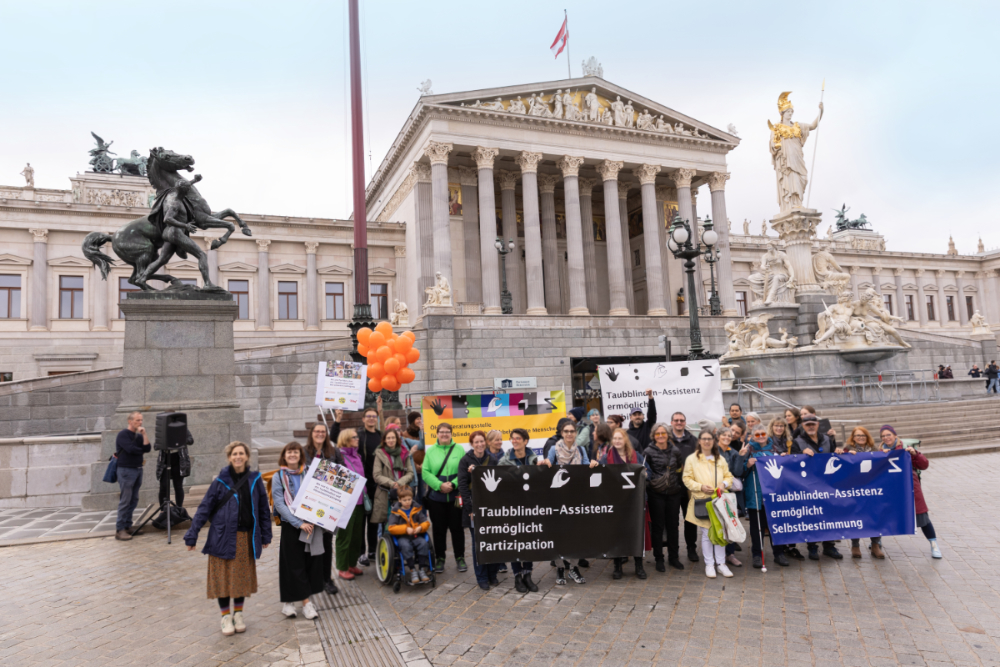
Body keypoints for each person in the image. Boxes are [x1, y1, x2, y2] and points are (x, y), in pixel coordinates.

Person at [185, 441, 272, 636]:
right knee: (222, 578)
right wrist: (192, 535)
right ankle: (225, 617)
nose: (238, 457)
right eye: (234, 454)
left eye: (241, 453)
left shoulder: (255, 479)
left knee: (240, 578)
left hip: (244, 537)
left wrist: (266, 534)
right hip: (221, 536)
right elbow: (204, 509)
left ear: (247, 456)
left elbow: (263, 510)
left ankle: (238, 614)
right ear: (229, 457)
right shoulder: (220, 481)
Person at [271, 442, 323, 620]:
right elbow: (279, 503)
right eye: (289, 452)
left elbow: (321, 495)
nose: (292, 454)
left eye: (295, 452)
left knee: (310, 563)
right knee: (291, 564)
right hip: (292, 525)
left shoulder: (311, 472)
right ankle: (305, 603)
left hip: (311, 523)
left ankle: (290, 602)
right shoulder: (279, 476)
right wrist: (297, 523)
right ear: (284, 456)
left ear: (300, 455)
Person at [590, 428, 646, 580]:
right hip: (615, 502)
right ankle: (617, 566)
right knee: (617, 534)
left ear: (625, 440)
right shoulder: (606, 458)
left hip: (634, 501)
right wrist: (594, 465)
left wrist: (645, 473)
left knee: (636, 533)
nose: (617, 441)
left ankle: (639, 566)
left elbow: (649, 472)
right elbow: (598, 472)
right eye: (615, 439)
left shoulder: (635, 456)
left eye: (620, 438)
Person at [880, 426, 942, 558]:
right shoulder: (879, 451)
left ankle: (934, 544)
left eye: (888, 434)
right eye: (883, 436)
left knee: (921, 516)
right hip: (889, 488)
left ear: (895, 435)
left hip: (909, 486)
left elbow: (924, 465)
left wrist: (915, 453)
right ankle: (876, 542)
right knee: (883, 515)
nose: (886, 438)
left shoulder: (906, 448)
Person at [682, 430, 735, 578]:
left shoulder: (720, 459)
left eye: (709, 439)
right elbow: (686, 479)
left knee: (720, 532)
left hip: (719, 501)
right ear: (699, 441)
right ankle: (709, 564)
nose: (706, 441)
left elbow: (728, 476)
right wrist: (700, 487)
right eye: (704, 439)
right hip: (702, 500)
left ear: (714, 441)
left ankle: (721, 564)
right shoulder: (692, 459)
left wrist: (724, 484)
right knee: (706, 533)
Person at [499, 428, 545, 592]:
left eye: (518, 438)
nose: (514, 441)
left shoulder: (533, 460)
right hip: (512, 508)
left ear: (526, 441)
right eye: (512, 438)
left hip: (530, 508)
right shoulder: (504, 461)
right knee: (515, 542)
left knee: (529, 542)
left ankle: (528, 575)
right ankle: (517, 576)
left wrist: (545, 466)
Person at [546, 421, 589, 584]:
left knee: (574, 534)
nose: (570, 434)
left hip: (575, 497)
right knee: (559, 533)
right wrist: (547, 463)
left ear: (576, 433)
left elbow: (585, 467)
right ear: (562, 433)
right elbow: (547, 466)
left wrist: (591, 464)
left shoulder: (581, 449)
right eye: (566, 431)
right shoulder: (553, 449)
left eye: (572, 431)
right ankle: (559, 568)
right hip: (558, 498)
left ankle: (573, 568)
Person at [795, 415, 843, 560]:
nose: (810, 426)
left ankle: (829, 546)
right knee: (812, 516)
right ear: (803, 426)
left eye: (813, 424)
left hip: (827, 484)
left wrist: (840, 452)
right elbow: (792, 462)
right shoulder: (798, 442)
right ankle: (812, 547)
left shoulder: (827, 439)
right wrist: (800, 454)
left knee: (829, 515)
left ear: (817, 425)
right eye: (807, 424)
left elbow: (834, 455)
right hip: (809, 485)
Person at [457, 430, 500, 590]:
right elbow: (462, 486)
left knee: (493, 543)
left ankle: (492, 574)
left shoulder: (493, 459)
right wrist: (470, 509)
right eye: (476, 442)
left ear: (486, 443)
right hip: (474, 509)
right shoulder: (465, 461)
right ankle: (481, 577)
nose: (480, 444)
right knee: (478, 544)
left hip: (491, 509)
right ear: (471, 444)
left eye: (482, 441)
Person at [422, 423, 466, 574]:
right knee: (439, 530)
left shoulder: (459, 449)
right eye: (442, 432)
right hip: (436, 497)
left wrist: (453, 485)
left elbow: (463, 471)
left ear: (451, 433)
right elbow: (425, 472)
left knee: (457, 529)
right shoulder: (431, 451)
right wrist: (440, 485)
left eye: (447, 432)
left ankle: (460, 557)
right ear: (437, 434)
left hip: (455, 496)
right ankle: (440, 558)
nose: (445, 434)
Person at [305, 421, 343, 594]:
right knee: (310, 542)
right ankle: (312, 578)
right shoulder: (304, 452)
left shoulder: (334, 452)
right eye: (317, 431)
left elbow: (343, 473)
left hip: (328, 504)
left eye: (323, 431)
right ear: (312, 434)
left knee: (327, 542)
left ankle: (327, 579)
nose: (320, 434)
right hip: (310, 503)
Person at [743, 425, 789, 568]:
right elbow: (739, 471)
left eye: (763, 433)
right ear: (752, 436)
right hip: (755, 493)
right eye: (757, 434)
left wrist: (784, 459)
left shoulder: (775, 448)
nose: (761, 436)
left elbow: (784, 470)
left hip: (774, 494)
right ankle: (757, 554)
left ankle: (779, 553)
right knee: (757, 527)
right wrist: (747, 464)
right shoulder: (748, 450)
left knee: (776, 526)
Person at [838, 427, 886, 559]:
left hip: (872, 488)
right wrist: (841, 453)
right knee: (856, 515)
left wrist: (886, 454)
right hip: (855, 488)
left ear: (867, 437)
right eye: (857, 435)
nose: (860, 438)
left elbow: (882, 463)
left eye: (863, 435)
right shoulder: (848, 449)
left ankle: (875, 545)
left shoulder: (874, 449)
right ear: (853, 437)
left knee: (876, 515)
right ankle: (855, 545)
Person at [644, 422, 686, 571]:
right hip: (656, 494)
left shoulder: (675, 450)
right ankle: (659, 558)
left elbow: (679, 469)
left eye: (663, 433)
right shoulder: (648, 451)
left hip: (674, 493)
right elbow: (646, 473)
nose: (661, 436)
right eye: (658, 434)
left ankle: (674, 557)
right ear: (653, 436)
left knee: (673, 526)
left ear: (668, 435)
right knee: (658, 527)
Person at [667, 412, 700, 562]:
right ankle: (673, 553)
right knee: (672, 522)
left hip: (689, 488)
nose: (679, 422)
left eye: (682, 420)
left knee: (691, 520)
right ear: (672, 422)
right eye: (676, 420)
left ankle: (691, 548)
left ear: (685, 422)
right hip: (671, 487)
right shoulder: (665, 440)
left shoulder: (693, 440)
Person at [115, 411, 151, 540]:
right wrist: (140, 451)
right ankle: (120, 530)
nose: (140, 422)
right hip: (126, 470)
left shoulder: (139, 436)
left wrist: (144, 434)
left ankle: (128, 526)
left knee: (134, 499)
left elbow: (148, 449)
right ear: (130, 421)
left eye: (141, 420)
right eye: (137, 420)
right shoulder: (123, 434)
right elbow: (131, 449)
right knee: (125, 500)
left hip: (137, 469)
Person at [385, 486, 432, 584]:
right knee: (405, 546)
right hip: (402, 536)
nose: (407, 502)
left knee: (423, 543)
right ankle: (412, 569)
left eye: (409, 499)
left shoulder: (416, 509)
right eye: (404, 500)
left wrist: (420, 527)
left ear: (412, 499)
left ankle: (422, 569)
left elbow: (426, 522)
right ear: (399, 500)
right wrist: (405, 529)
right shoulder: (396, 512)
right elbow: (391, 528)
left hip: (416, 535)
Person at [370, 429, 413, 530]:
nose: (391, 440)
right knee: (386, 525)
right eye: (388, 438)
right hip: (385, 493)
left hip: (403, 492)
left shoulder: (404, 452)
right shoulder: (380, 453)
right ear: (384, 440)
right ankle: (386, 545)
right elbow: (376, 475)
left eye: (393, 437)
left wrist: (399, 482)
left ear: (397, 439)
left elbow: (410, 473)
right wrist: (391, 483)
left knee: (403, 523)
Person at [358, 405, 383, 566]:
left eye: (374, 416)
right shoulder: (358, 436)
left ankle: (373, 550)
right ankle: (361, 553)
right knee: (361, 521)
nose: (371, 418)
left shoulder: (381, 436)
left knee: (374, 520)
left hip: (377, 484)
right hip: (361, 484)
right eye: (369, 416)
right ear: (363, 419)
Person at [156, 428, 191, 511]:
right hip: (165, 462)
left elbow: (190, 440)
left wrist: (180, 439)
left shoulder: (182, 428)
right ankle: (163, 509)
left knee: (178, 486)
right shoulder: (162, 429)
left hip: (179, 462)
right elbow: (156, 445)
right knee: (163, 486)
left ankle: (179, 508)